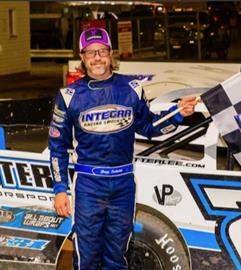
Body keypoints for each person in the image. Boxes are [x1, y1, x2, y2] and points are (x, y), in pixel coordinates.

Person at [49, 27, 198, 270]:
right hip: (88, 185)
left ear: (110, 54)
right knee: (86, 258)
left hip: (123, 184)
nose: (97, 58)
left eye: (102, 51)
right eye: (90, 53)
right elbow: (57, 146)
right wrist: (59, 189)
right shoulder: (68, 95)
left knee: (117, 257)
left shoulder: (132, 88)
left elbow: (149, 127)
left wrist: (177, 114)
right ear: (83, 58)